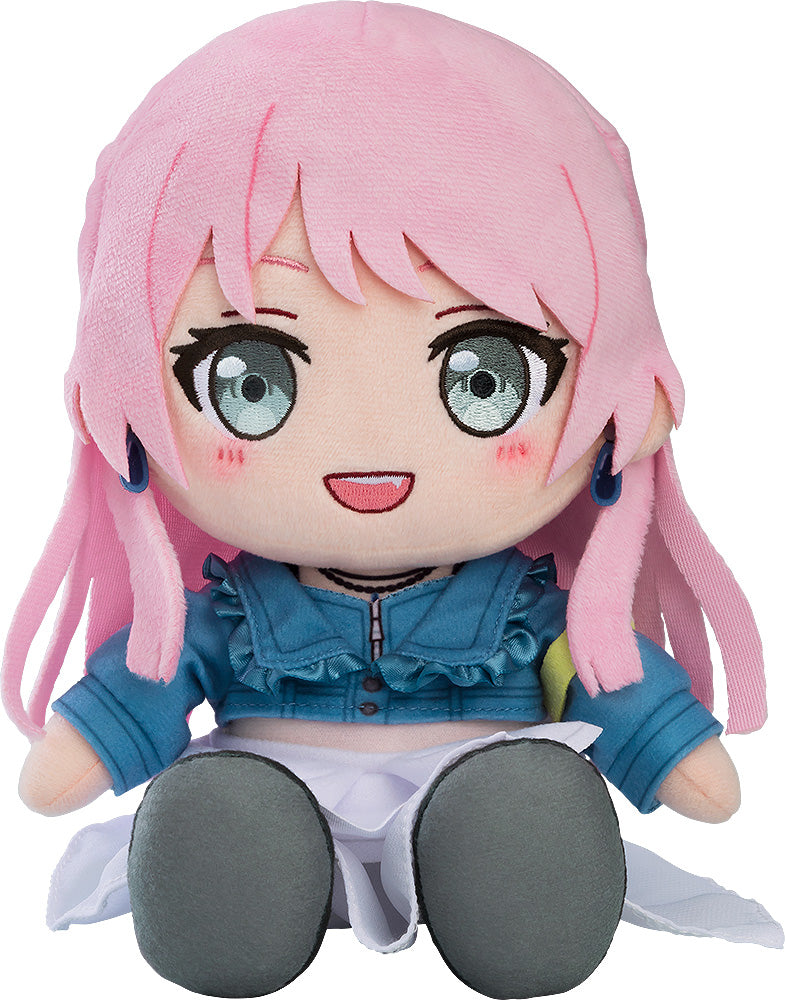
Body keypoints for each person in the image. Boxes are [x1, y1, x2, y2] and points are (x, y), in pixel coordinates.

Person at [2, 4, 779, 998]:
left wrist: (666, 749)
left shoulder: (534, 610)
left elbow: (605, 675)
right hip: (269, 814)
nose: (368, 446)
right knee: (225, 816)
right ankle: (229, 878)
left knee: (521, 803)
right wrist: (93, 739)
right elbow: (148, 679)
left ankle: (517, 864)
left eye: (484, 377)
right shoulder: (228, 609)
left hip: (480, 808)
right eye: (251, 380)